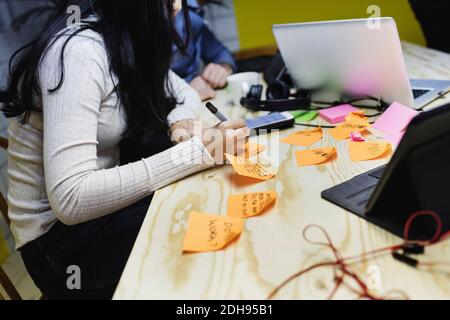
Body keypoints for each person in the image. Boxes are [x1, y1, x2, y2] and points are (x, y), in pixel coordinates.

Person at [2, 0, 248, 299]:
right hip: (58, 245)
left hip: (102, 207)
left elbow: (184, 92)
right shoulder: (78, 51)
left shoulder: (122, 40)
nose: (179, 7)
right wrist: (196, 154)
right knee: (211, 229)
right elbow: (70, 198)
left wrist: (180, 122)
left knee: (209, 199)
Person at [171, 0, 237, 101]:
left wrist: (223, 67)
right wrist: (182, 87)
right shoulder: (171, 9)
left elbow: (219, 52)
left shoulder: (194, 14)